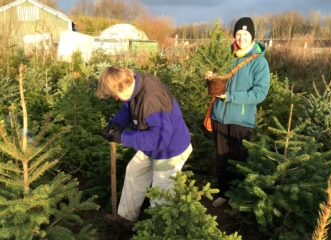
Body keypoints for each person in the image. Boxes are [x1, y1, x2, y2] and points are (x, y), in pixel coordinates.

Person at [97, 66, 193, 228]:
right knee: (135, 170)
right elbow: (129, 105)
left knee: (161, 196)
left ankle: (159, 231)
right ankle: (126, 218)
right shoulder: (136, 82)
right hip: (151, 143)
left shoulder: (151, 100)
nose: (115, 98)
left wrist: (122, 137)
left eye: (115, 94)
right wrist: (117, 123)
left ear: (123, 85)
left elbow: (159, 139)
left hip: (169, 150)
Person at [205, 17, 270, 207]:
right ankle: (224, 194)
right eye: (238, 34)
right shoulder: (227, 57)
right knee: (222, 158)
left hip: (241, 120)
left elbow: (259, 93)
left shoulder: (259, 63)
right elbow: (216, 85)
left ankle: (241, 198)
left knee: (240, 160)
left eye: (246, 34)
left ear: (252, 37)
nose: (241, 38)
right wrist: (210, 79)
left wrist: (230, 96)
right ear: (234, 35)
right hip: (219, 116)